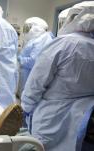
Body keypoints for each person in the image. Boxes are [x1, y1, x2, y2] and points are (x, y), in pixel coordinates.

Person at [21, 2, 94, 151]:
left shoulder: (64, 43)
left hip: (52, 115)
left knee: (41, 145)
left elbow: (37, 81)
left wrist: (25, 107)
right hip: (82, 117)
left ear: (74, 18)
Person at [18, 17, 54, 96]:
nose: (26, 31)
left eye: (28, 28)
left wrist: (19, 59)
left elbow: (33, 61)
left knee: (27, 98)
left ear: (36, 28)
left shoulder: (43, 39)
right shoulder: (37, 38)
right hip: (27, 74)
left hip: (30, 76)